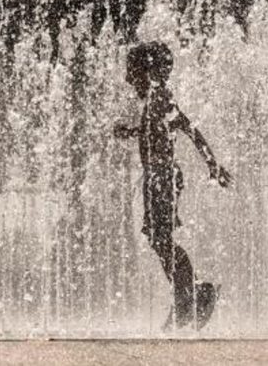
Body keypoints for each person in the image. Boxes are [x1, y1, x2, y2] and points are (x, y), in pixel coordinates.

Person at [114, 41, 231, 330]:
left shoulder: (160, 97)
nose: (128, 79)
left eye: (132, 72)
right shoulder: (155, 101)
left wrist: (213, 165)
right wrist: (132, 132)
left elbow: (189, 128)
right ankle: (187, 294)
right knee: (159, 239)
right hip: (158, 177)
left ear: (148, 71)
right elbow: (158, 131)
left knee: (161, 239)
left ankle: (192, 293)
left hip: (163, 178)